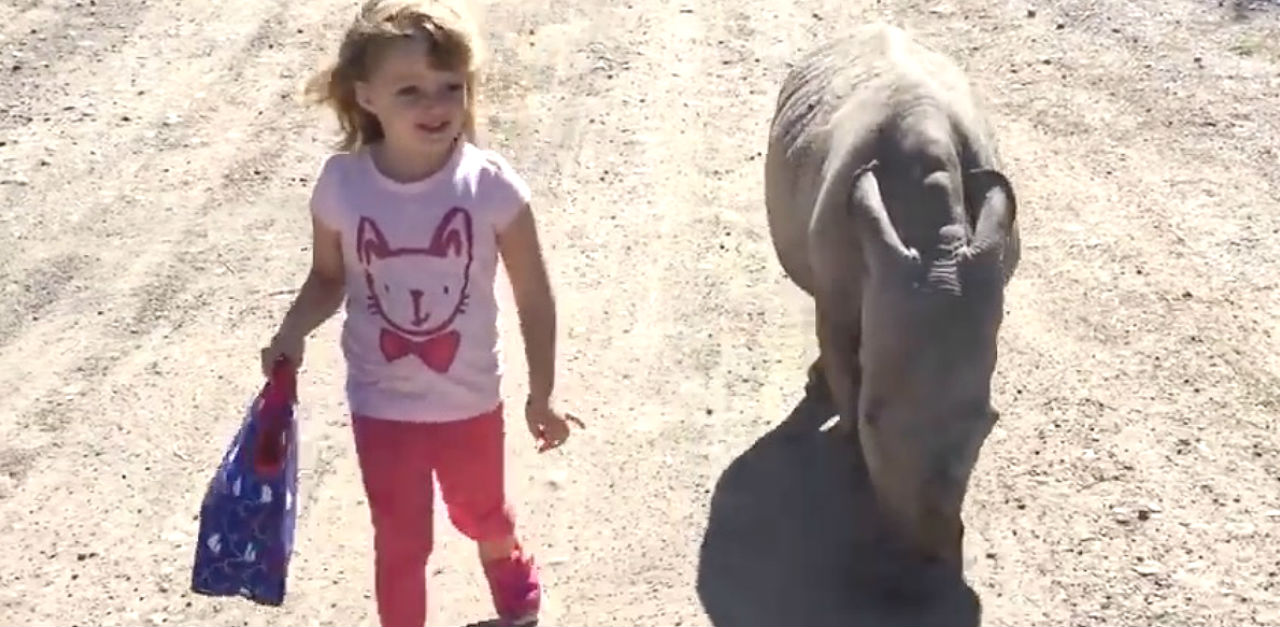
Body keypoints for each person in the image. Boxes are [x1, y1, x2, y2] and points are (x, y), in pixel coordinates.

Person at [259, 1, 583, 625]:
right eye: (410, 90)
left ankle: (515, 586)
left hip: (469, 403)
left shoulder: (491, 187)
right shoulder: (342, 185)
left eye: (451, 88)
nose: (435, 105)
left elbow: (534, 295)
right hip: (381, 403)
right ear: (366, 96)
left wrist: (541, 393)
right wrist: (292, 330)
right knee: (400, 540)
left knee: (479, 514)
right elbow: (329, 278)